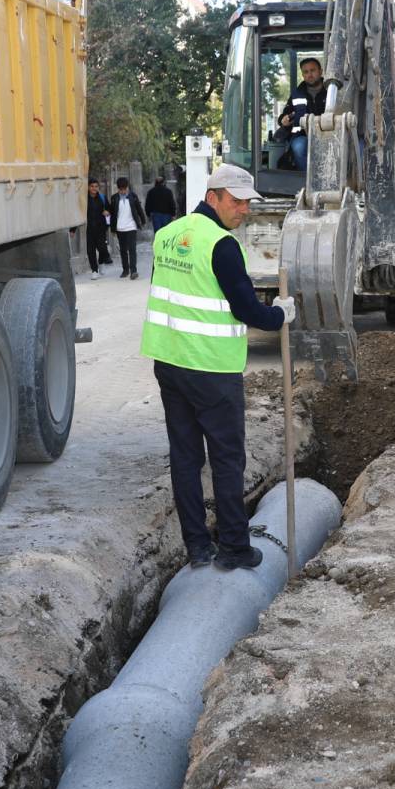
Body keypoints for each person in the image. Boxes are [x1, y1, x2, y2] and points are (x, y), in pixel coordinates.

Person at [142, 164, 295, 569]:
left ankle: (197, 548)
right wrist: (279, 315)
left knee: (185, 458)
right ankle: (234, 549)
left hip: (170, 363)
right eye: (237, 202)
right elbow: (247, 309)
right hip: (211, 368)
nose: (244, 210)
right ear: (213, 197)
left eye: (247, 203)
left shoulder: (167, 234)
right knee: (227, 459)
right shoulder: (222, 245)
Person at [274, 57, 326, 171]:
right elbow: (285, 114)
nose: (309, 75)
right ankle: (308, 177)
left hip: (329, 134)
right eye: (306, 72)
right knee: (298, 146)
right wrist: (283, 120)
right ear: (303, 75)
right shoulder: (297, 93)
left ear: (320, 71)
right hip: (302, 135)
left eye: (312, 70)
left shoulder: (331, 91)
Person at [109, 177, 146, 279]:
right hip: (120, 228)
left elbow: (139, 209)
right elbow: (112, 214)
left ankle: (134, 271)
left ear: (127, 187)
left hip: (131, 227)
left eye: (124, 189)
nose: (123, 191)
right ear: (118, 189)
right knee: (123, 250)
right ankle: (125, 270)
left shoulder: (133, 196)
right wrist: (112, 229)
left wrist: (142, 221)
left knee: (132, 249)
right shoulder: (114, 198)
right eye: (121, 189)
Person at [83, 178, 113, 278]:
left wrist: (107, 212)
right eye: (92, 186)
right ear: (88, 187)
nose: (94, 188)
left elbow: (109, 209)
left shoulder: (102, 197)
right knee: (90, 250)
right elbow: (78, 214)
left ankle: (101, 263)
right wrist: (73, 230)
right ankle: (94, 271)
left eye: (96, 186)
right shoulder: (84, 199)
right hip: (89, 228)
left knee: (102, 247)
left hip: (101, 228)